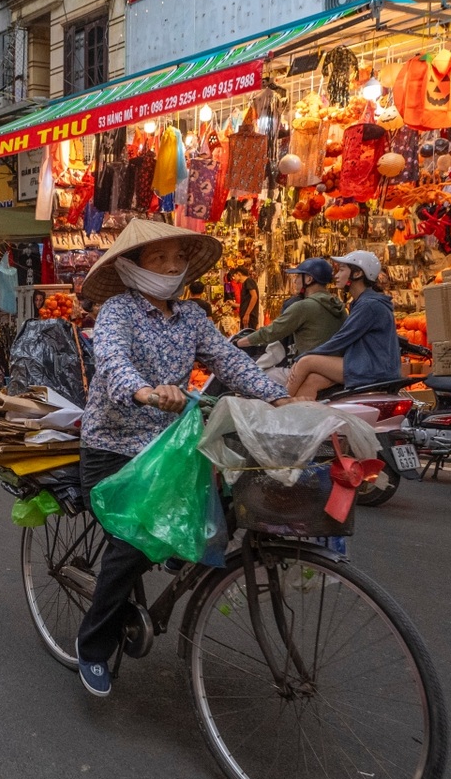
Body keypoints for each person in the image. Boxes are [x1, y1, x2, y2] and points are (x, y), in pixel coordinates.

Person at [73, 220, 292, 698]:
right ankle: (91, 646)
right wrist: (145, 392)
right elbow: (111, 363)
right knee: (134, 540)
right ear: (131, 268)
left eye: (177, 258)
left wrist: (277, 398)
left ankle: (177, 558)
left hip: (170, 448)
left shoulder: (192, 316)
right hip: (114, 449)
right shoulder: (117, 312)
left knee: (232, 500)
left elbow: (229, 361)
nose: (172, 267)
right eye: (158, 259)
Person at [286, 251, 401, 400]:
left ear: (357, 273)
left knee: (306, 362)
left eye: (341, 270)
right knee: (313, 379)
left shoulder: (369, 305)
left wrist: (302, 357)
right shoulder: (363, 302)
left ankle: (279, 403)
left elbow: (341, 339)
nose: (336, 276)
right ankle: (300, 416)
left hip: (372, 369)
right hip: (369, 365)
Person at [233, 257, 346, 358]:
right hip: (331, 366)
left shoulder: (305, 306)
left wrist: (237, 343)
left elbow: (271, 332)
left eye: (297, 276)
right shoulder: (337, 304)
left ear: (309, 279)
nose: (294, 280)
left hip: (310, 368)